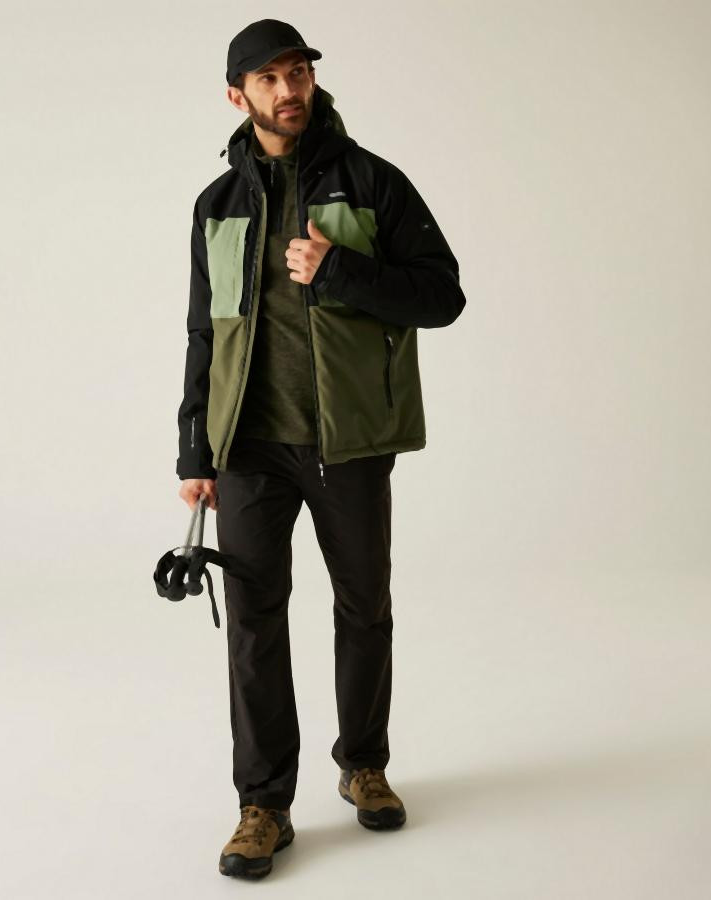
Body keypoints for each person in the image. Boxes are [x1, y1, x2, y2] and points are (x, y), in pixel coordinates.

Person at [174, 18, 467, 879]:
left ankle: (363, 764)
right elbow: (204, 334)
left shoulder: (373, 183)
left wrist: (339, 269)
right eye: (269, 78)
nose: (288, 88)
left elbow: (442, 296)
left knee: (363, 607)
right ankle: (263, 805)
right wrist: (195, 452)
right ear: (238, 96)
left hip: (350, 441)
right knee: (253, 626)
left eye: (297, 71)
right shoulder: (217, 205)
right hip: (248, 448)